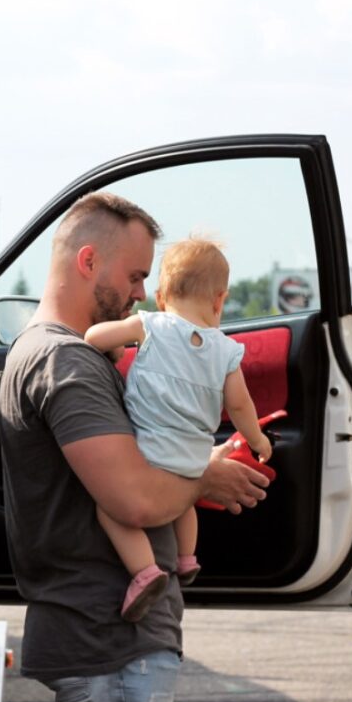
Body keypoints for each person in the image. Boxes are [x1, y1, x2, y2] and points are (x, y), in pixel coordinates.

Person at [0, 192, 269, 702]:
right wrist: (204, 475)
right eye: (137, 275)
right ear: (88, 261)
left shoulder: (77, 355)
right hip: (111, 648)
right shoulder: (63, 361)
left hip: (111, 645)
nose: (145, 293)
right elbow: (136, 502)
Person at [83, 237, 273, 622]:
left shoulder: (151, 324)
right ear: (219, 300)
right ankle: (187, 558)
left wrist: (116, 346)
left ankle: (144, 571)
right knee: (186, 501)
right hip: (193, 458)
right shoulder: (226, 350)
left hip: (148, 452)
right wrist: (257, 440)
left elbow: (92, 338)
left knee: (110, 511)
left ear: (161, 296)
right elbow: (239, 404)